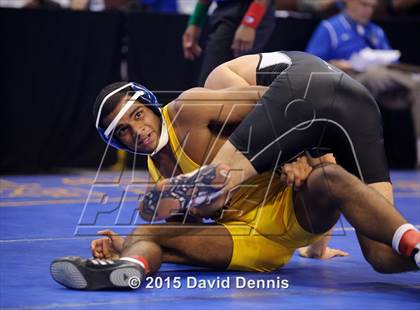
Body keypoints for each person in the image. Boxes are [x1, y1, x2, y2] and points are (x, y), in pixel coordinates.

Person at [50, 51, 418, 291]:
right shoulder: (156, 175)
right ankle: (128, 266)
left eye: (136, 115)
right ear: (118, 145)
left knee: (377, 250)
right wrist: (123, 243)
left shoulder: (192, 107)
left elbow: (283, 106)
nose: (137, 131)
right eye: (123, 132)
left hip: (294, 208)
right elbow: (186, 230)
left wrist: (303, 154)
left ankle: (414, 247)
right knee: (150, 229)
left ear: (150, 105)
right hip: (250, 242)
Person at [305, 0, 420, 166]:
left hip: (382, 82)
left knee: (415, 89)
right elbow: (311, 62)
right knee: (376, 73)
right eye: (364, 5)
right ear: (349, 2)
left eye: (372, 7)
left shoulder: (376, 31)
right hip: (349, 79)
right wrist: (341, 64)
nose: (368, 11)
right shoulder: (329, 27)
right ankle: (414, 78)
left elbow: (389, 61)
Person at [182, 0, 276, 86]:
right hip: (223, 11)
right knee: (210, 81)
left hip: (251, 11)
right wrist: (195, 22)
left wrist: (250, 23)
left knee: (241, 81)